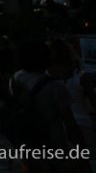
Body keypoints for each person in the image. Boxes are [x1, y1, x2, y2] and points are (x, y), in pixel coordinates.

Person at [9, 39, 83, 171]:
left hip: (26, 142)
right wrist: (80, 149)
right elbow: (70, 123)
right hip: (53, 144)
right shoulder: (55, 87)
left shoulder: (15, 78)